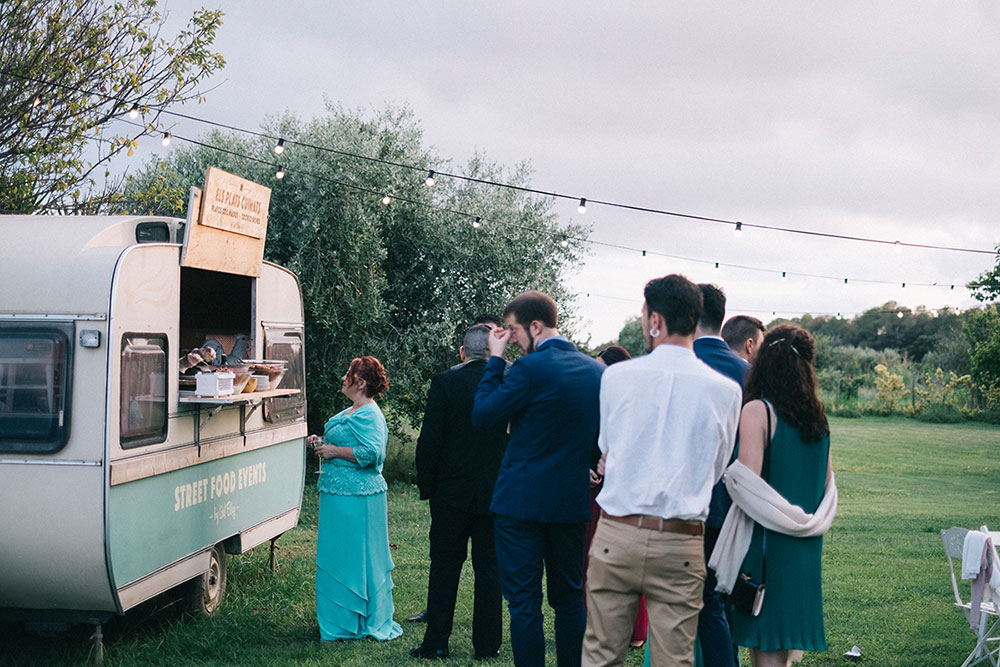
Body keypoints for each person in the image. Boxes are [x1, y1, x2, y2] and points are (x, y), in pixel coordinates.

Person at [582, 274, 741, 667]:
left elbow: (607, 449)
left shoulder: (616, 376)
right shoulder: (726, 390)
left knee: (601, 653)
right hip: (681, 540)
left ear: (655, 320)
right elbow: (718, 467)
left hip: (618, 533)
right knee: (674, 659)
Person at [472, 290, 604, 667]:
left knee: (524, 603)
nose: (510, 338)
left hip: (520, 505)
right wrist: (593, 461)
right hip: (570, 501)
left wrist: (495, 361)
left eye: (512, 330)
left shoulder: (529, 369)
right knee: (569, 599)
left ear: (535, 325)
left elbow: (483, 414)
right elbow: (601, 434)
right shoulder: (596, 371)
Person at [724, 324, 834, 666]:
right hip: (805, 546)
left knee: (766, 645)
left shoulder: (757, 411)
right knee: (782, 650)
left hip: (768, 544)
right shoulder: (818, 418)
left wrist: (726, 475)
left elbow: (747, 483)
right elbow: (826, 482)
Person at [410, 324, 508, 660]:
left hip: (450, 493)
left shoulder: (445, 382)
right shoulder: (507, 383)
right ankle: (487, 645)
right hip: (497, 494)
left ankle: (436, 641)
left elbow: (429, 442)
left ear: (462, 353)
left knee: (444, 567)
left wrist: (428, 487)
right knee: (490, 568)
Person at [308, 356, 403, 642]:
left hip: (359, 498)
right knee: (339, 555)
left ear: (360, 382)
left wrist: (335, 451)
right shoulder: (353, 410)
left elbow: (373, 454)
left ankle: (359, 619)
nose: (342, 378)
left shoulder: (370, 413)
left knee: (356, 557)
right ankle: (340, 617)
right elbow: (347, 439)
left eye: (347, 374)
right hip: (338, 495)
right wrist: (320, 441)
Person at [692, 284, 747, 667]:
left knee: (696, 601)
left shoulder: (677, 362)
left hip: (684, 502)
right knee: (720, 596)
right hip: (734, 503)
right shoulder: (747, 371)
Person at [583, 346, 648, 651]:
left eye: (602, 367)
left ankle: (633, 629)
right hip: (601, 488)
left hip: (621, 490)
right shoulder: (607, 400)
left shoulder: (626, 402)